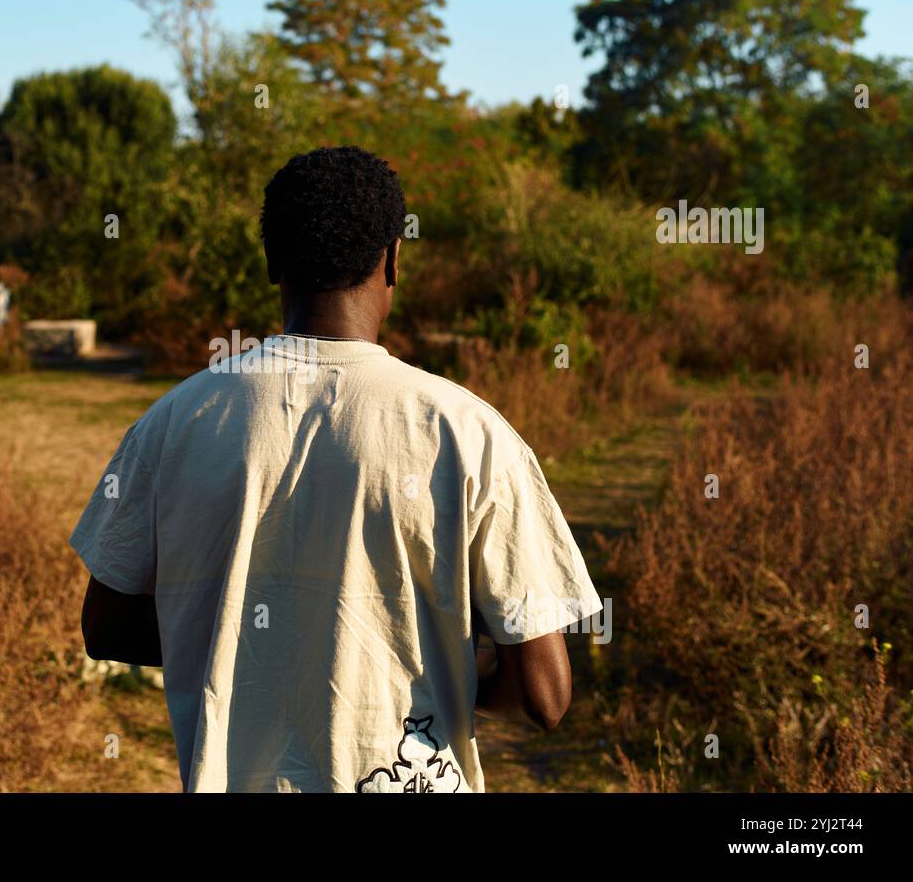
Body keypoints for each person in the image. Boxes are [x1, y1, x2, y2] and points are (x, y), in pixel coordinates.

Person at [71, 145, 602, 792]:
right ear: (394, 260)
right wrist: (449, 668)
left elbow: (105, 629)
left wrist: (248, 647)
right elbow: (545, 696)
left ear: (271, 261)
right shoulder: (468, 432)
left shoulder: (175, 423)